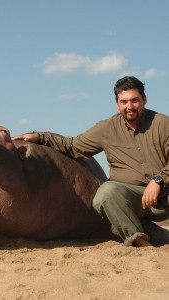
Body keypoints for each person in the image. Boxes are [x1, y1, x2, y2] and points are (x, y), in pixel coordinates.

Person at [12, 76, 169, 247]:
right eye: (123, 102)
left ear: (144, 100)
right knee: (106, 192)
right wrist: (40, 136)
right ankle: (140, 243)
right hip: (133, 199)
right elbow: (72, 145)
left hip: (165, 193)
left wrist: (158, 180)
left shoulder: (162, 123)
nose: (129, 107)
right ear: (117, 104)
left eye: (134, 100)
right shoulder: (106, 128)